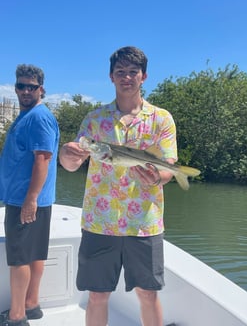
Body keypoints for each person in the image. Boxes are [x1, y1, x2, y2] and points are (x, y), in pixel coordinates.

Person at [59, 46, 177, 326]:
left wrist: (159, 177)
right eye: (120, 72)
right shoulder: (94, 119)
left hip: (144, 221)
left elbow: (169, 163)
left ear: (144, 76)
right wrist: (67, 153)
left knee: (148, 293)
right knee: (97, 296)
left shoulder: (162, 118)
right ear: (111, 77)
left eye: (132, 72)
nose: (127, 77)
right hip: (100, 222)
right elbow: (73, 163)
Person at [0, 65, 60, 326]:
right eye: (21, 86)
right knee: (34, 254)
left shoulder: (38, 117)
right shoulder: (28, 115)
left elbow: (43, 160)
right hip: (30, 200)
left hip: (25, 201)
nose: (25, 91)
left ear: (41, 89)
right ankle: (31, 305)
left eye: (31, 87)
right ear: (15, 88)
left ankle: (16, 316)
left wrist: (30, 199)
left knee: (19, 258)